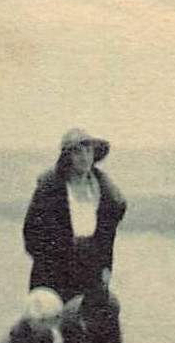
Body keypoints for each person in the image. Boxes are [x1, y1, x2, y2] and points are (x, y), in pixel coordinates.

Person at [22, 128, 128, 299]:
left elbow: (107, 237)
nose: (84, 157)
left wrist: (106, 267)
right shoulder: (49, 190)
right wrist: (55, 259)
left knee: (97, 317)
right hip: (53, 273)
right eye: (77, 152)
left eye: (88, 151)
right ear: (67, 158)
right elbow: (31, 236)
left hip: (91, 271)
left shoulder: (104, 192)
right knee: (51, 319)